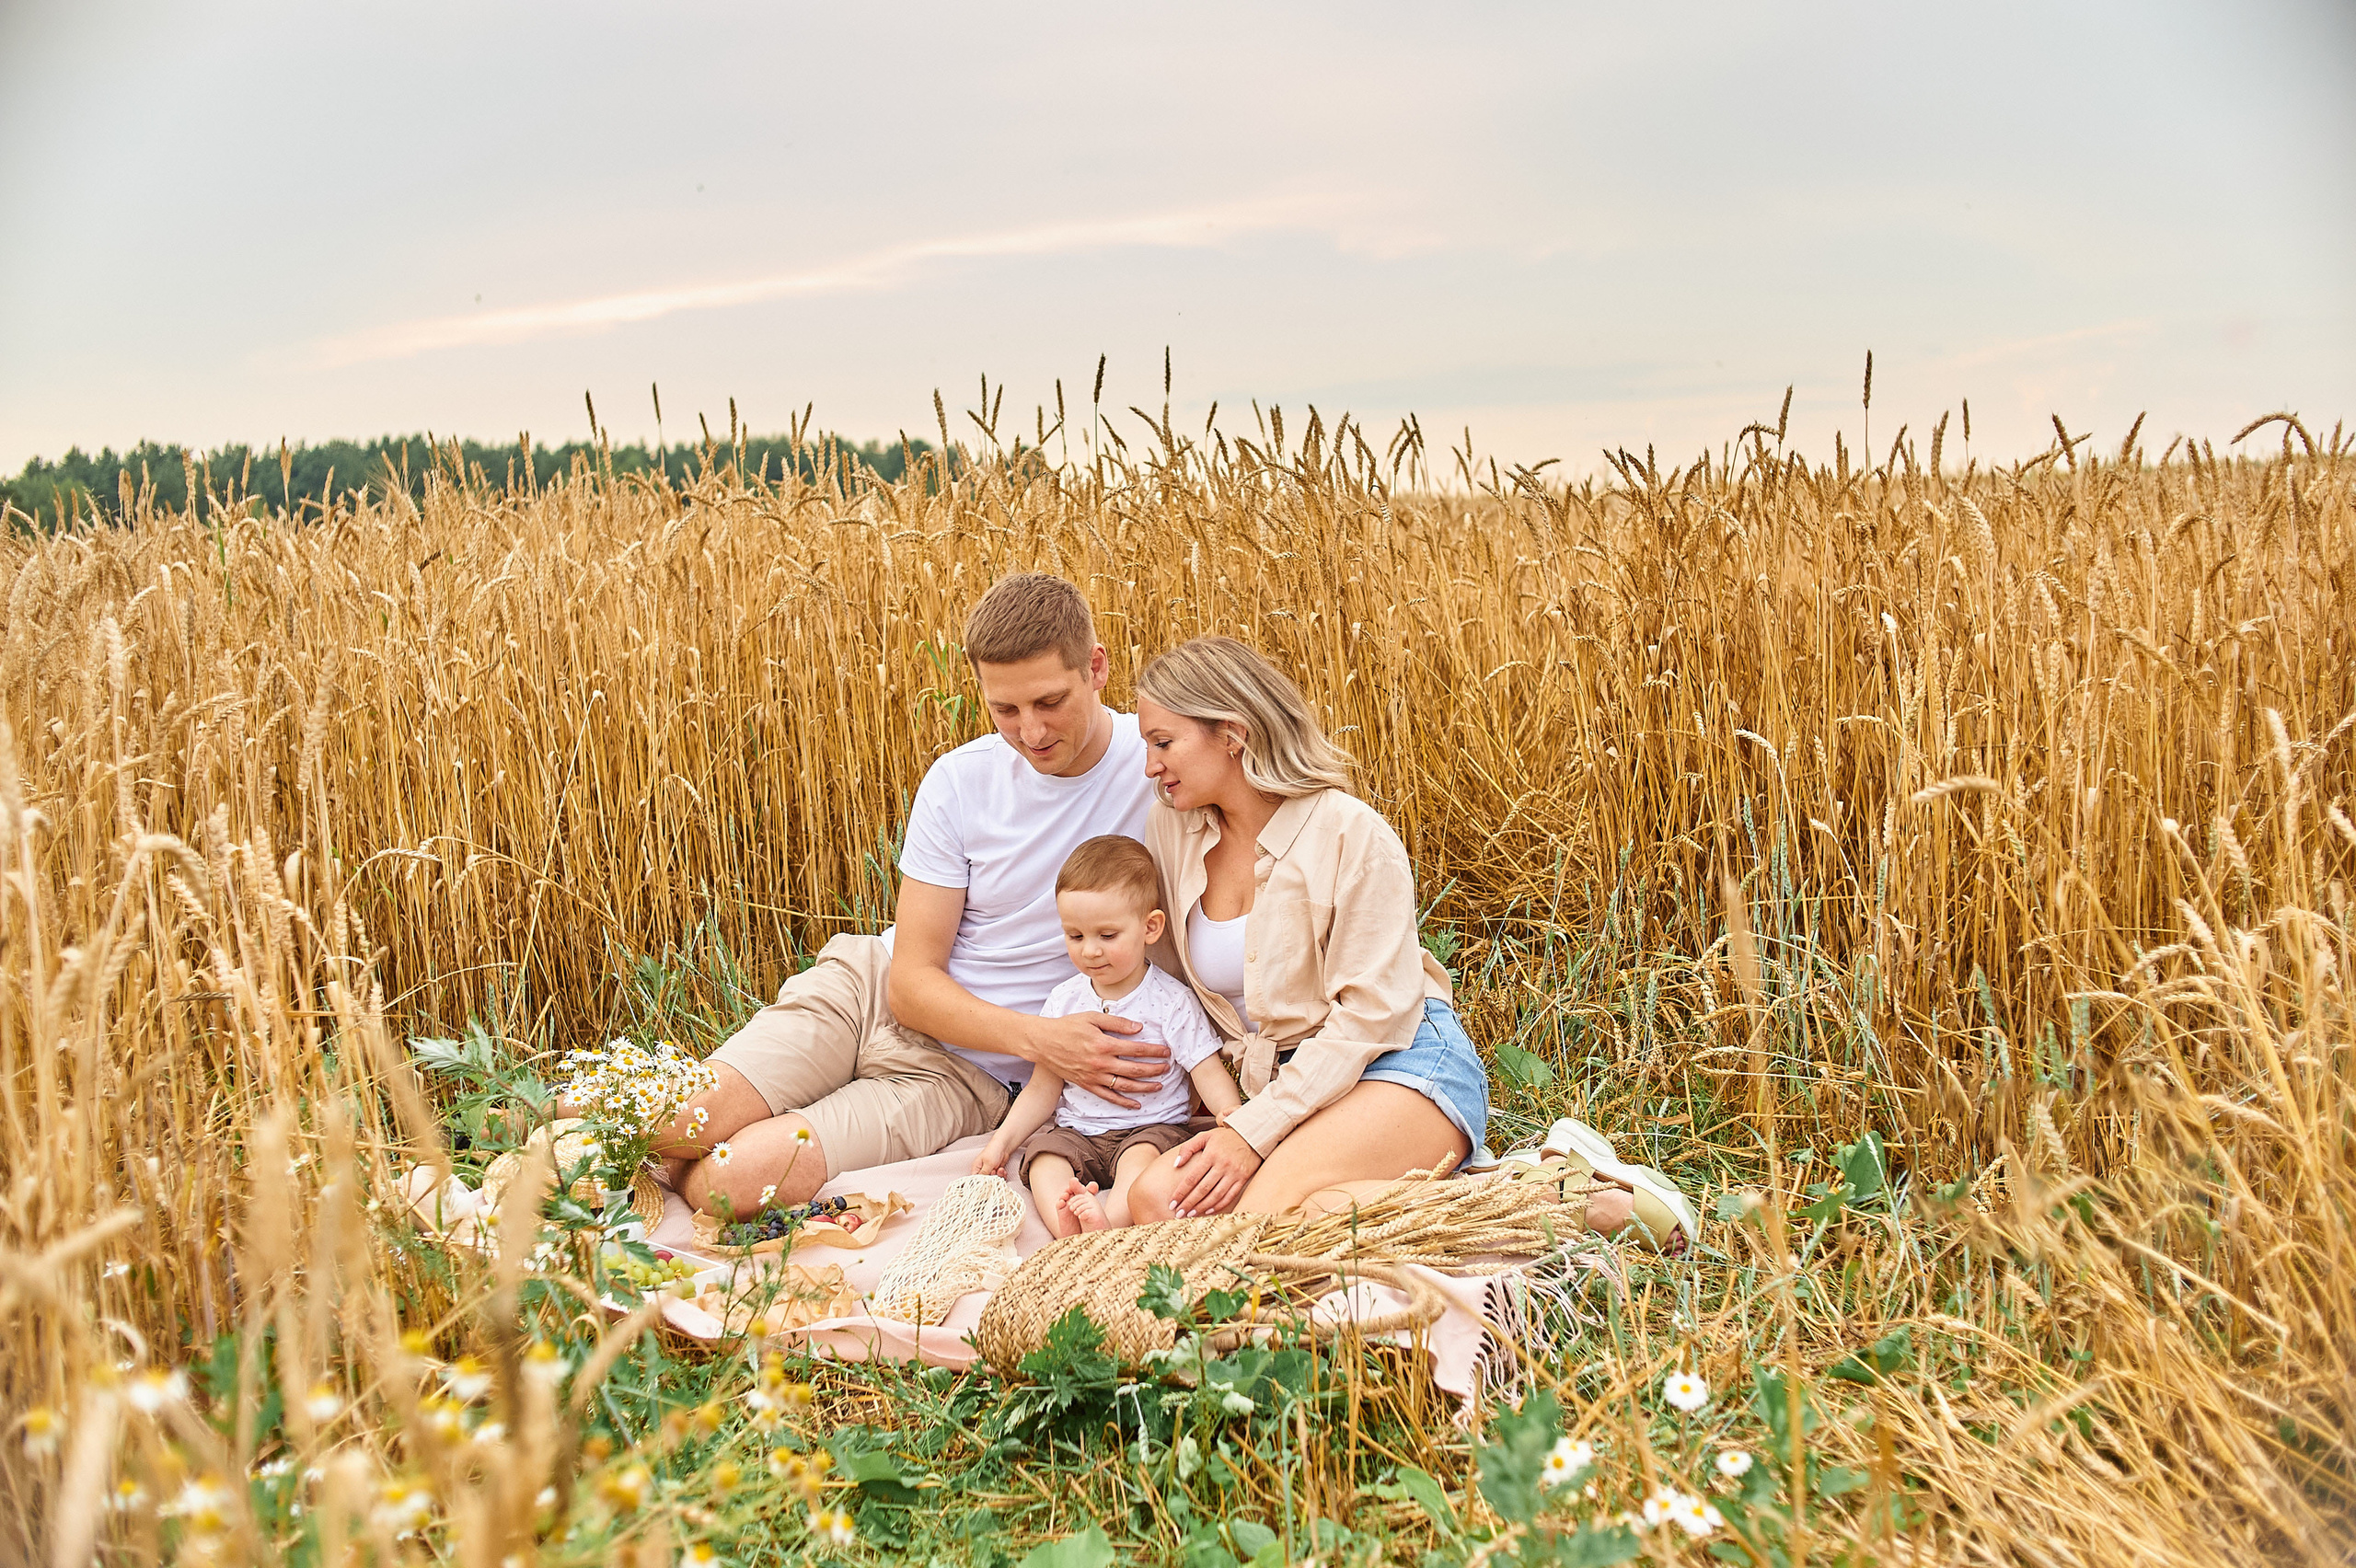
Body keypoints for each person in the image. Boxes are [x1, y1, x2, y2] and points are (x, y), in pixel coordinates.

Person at [618, 574, 1178, 1216]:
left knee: (733, 1180)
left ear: (1097, 668)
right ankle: (514, 1118)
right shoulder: (960, 780)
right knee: (686, 1114)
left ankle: (661, 1165)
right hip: (871, 987)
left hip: (971, 1071)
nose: (1029, 731)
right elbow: (910, 983)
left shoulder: (1158, 769)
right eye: (1004, 710)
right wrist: (1044, 1039)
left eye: (1049, 701)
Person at [1121, 636, 1680, 1248]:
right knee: (1162, 1204)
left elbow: (1371, 1019)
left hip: (1398, 1061)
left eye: (1163, 742)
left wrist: (1255, 1132)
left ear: (1232, 733)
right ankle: (1525, 1185)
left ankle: (1560, 1198)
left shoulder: (1350, 833)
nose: (1151, 766)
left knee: (1255, 1232)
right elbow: (1176, 984)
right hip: (1287, 1080)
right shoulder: (1170, 827)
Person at [972, 836, 1241, 1236]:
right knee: (1045, 1157)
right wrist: (1002, 1144)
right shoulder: (1064, 1001)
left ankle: (1107, 1224)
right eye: (1075, 936)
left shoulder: (1171, 1001)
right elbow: (1043, 1088)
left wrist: (1231, 1117)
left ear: (1150, 927)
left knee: (1142, 1159)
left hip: (1149, 1128)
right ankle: (1065, 1223)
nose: (1090, 951)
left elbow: (1206, 1070)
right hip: (1078, 1132)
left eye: (1107, 936)